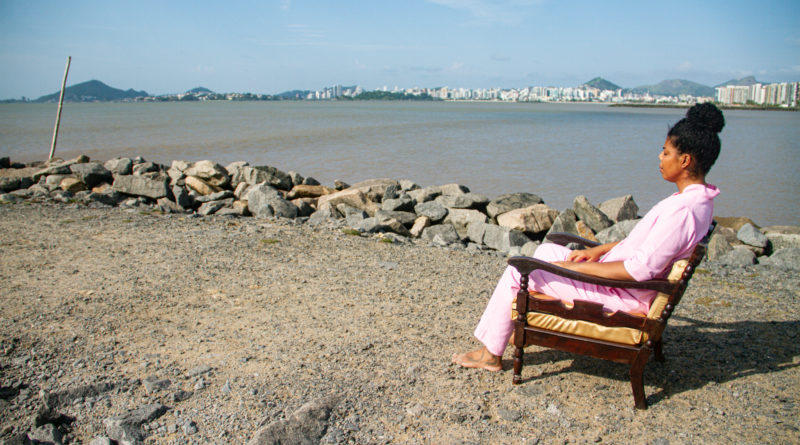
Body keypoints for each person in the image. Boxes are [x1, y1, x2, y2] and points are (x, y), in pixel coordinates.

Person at [452, 103, 725, 372]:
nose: (659, 157)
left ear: (685, 160)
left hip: (622, 295)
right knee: (546, 252)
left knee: (519, 269)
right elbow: (650, 246)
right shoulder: (697, 201)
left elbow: (640, 269)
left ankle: (490, 355)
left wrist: (579, 268)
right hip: (619, 282)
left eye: (666, 152)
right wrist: (600, 250)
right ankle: (508, 330)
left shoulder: (683, 211)